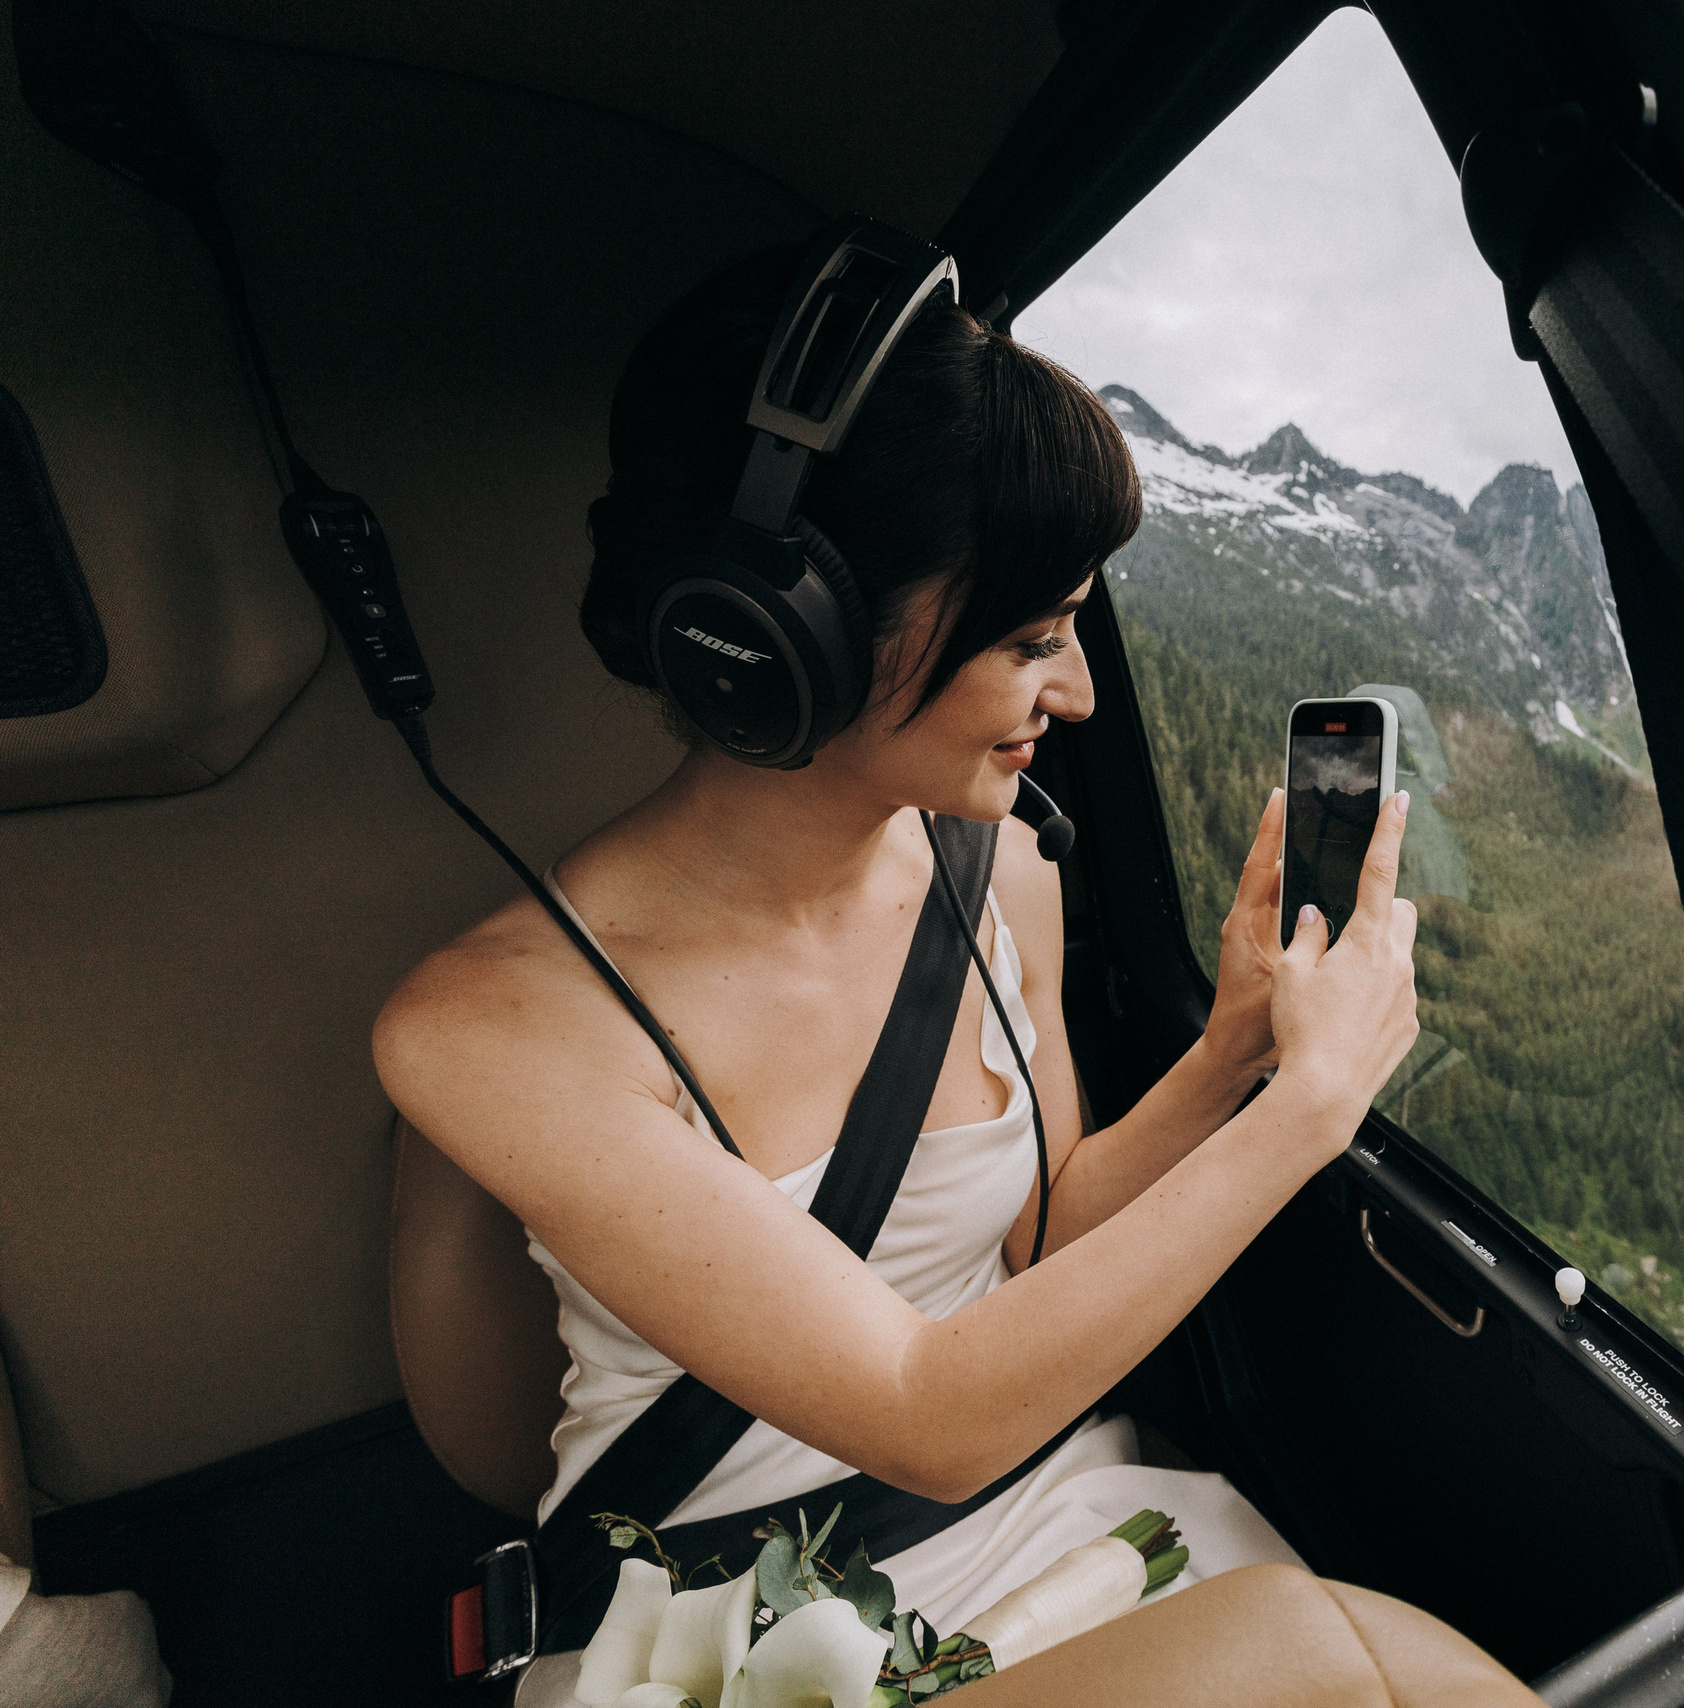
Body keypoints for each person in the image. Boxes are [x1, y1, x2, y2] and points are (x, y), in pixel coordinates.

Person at [370, 244, 1420, 1699]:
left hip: (1056, 1518)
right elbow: (924, 1408)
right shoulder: (499, 1025)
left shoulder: (1009, 882)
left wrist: (1237, 1044)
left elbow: (1043, 1248)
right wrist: (1312, 1109)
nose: (1079, 692)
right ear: (786, 637)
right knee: (1332, 1659)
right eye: (1034, 639)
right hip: (725, 1627)